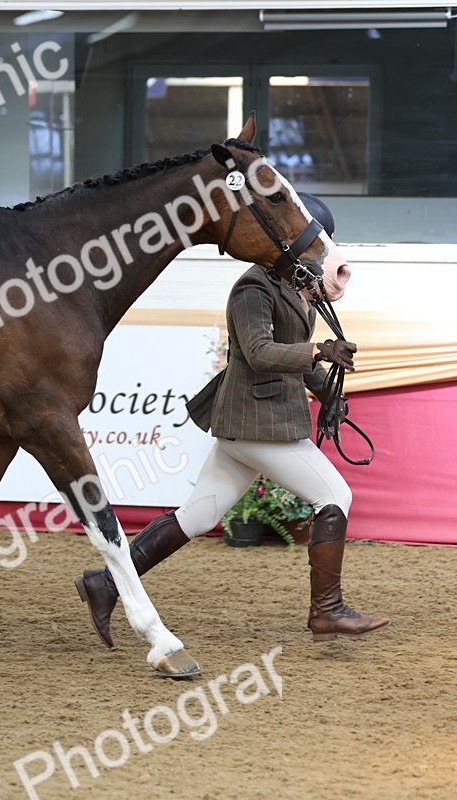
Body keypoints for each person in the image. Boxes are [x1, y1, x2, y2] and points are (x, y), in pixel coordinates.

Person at [76, 192, 388, 645]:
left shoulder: (296, 291)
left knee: (199, 515)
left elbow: (295, 360)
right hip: (255, 421)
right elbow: (259, 352)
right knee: (334, 495)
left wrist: (326, 391)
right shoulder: (253, 288)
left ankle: (103, 584)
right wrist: (319, 350)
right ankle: (326, 611)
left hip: (255, 423)